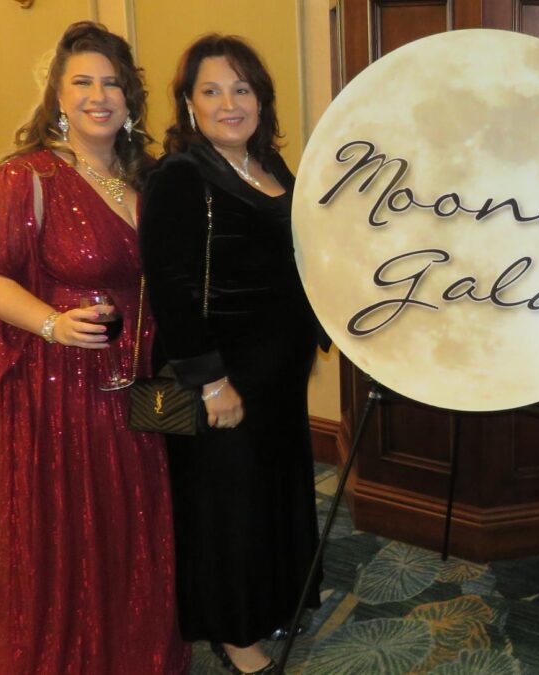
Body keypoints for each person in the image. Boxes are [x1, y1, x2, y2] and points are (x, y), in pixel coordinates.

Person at [0, 21, 190, 675]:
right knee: (77, 525)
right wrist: (51, 323)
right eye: (82, 81)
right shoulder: (26, 176)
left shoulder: (144, 178)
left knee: (141, 512)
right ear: (57, 95)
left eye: (113, 82)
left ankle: (136, 646)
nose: (99, 94)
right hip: (61, 386)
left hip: (142, 376)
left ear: (131, 99)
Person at [139, 35, 326, 675]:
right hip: (220, 375)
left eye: (241, 88)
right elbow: (170, 286)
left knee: (270, 491)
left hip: (276, 374)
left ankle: (273, 601)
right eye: (211, 90)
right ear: (189, 103)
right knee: (224, 507)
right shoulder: (180, 176)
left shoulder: (270, 165)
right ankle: (233, 633)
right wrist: (213, 381)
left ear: (260, 100)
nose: (228, 103)